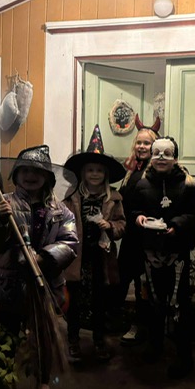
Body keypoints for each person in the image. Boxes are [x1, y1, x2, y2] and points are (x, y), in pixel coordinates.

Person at [0, 144, 78, 389]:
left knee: (43, 339)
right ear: (16, 174)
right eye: (25, 170)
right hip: (9, 284)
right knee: (6, 337)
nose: (31, 176)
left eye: (38, 171)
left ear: (48, 177)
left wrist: (43, 258)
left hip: (44, 284)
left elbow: (70, 243)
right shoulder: (1, 203)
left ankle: (43, 385)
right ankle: (6, 382)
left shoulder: (60, 211)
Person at [130, 136, 195, 379]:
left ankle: (183, 356)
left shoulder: (187, 184)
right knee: (154, 301)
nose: (161, 158)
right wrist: (138, 218)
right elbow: (131, 209)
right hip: (150, 252)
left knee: (179, 304)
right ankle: (155, 346)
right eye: (157, 153)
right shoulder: (141, 184)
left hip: (177, 253)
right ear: (151, 157)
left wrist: (178, 225)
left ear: (175, 158)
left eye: (167, 154)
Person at [63, 124, 126, 363]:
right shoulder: (72, 197)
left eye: (99, 170)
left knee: (100, 301)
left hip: (101, 258)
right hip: (77, 257)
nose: (95, 174)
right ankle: (73, 340)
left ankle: (99, 340)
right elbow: (62, 222)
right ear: (83, 173)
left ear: (105, 174)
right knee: (75, 301)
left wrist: (110, 226)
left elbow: (122, 225)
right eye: (90, 170)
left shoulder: (114, 198)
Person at [117, 115, 160, 345]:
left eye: (147, 143)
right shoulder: (132, 170)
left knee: (144, 283)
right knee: (125, 277)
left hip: (148, 237)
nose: (142, 146)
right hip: (130, 235)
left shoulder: (156, 172)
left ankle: (143, 326)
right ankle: (122, 320)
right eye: (139, 142)